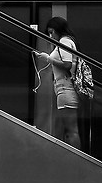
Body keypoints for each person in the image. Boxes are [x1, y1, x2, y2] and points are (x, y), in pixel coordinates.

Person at [34, 16, 82, 149]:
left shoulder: (64, 41)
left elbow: (67, 64)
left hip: (65, 89)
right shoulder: (68, 41)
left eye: (52, 32)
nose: (51, 36)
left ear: (58, 30)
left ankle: (75, 159)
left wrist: (48, 58)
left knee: (70, 130)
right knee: (68, 129)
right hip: (66, 89)